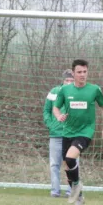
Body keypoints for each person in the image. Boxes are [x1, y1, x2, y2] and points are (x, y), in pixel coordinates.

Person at [53, 59, 103, 205]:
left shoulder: (94, 90)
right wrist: (59, 116)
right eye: (79, 72)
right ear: (73, 73)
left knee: (70, 157)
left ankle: (76, 186)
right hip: (68, 131)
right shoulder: (65, 90)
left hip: (85, 131)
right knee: (67, 166)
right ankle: (79, 197)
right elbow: (55, 108)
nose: (82, 75)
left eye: (85, 72)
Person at [43, 69, 75, 198]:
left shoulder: (79, 94)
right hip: (55, 135)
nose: (69, 83)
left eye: (71, 81)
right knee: (54, 164)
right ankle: (55, 191)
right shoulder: (54, 92)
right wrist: (50, 124)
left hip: (72, 135)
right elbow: (46, 110)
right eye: (67, 80)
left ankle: (71, 190)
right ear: (63, 80)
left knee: (71, 163)